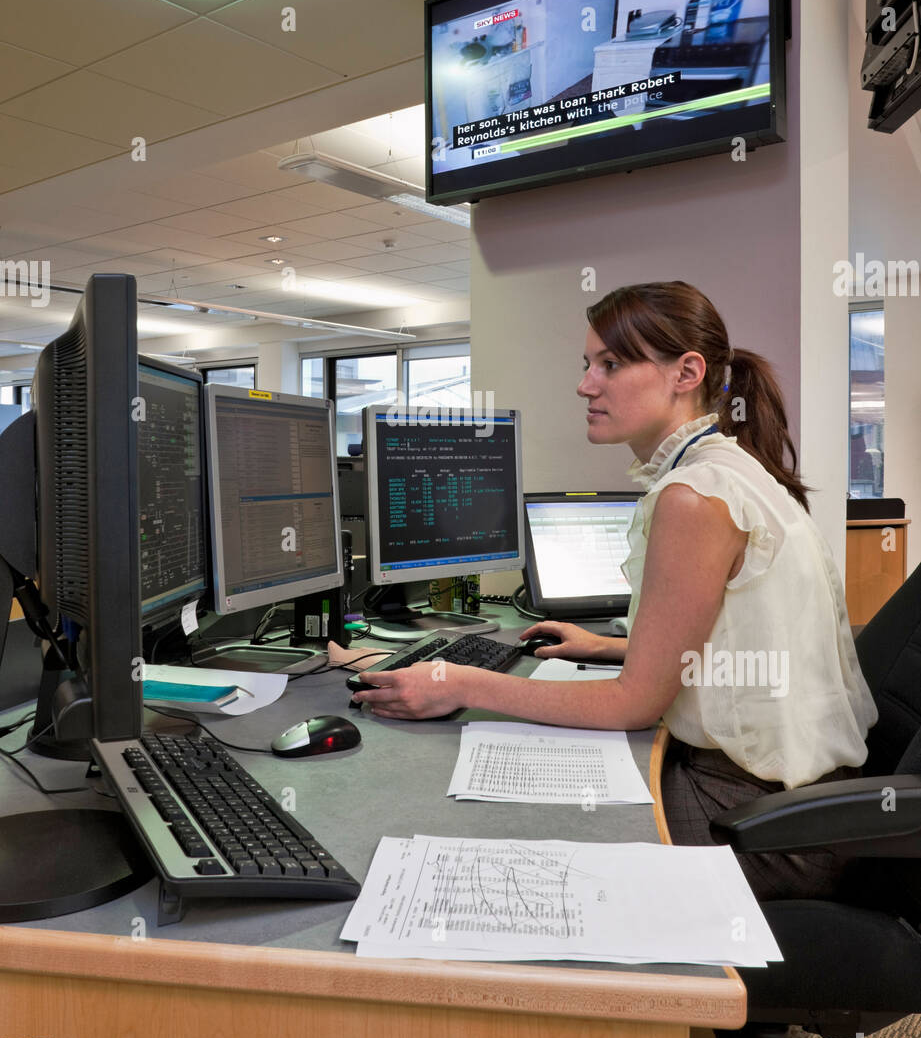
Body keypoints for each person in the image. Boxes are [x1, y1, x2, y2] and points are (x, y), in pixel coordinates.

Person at [352, 281, 878, 901]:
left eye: (612, 364)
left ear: (687, 373)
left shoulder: (694, 496)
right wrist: (619, 649)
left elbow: (633, 706)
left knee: (510, 837)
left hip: (762, 826)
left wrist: (459, 683)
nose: (585, 385)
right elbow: (751, 638)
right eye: (587, 365)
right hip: (800, 804)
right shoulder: (731, 470)